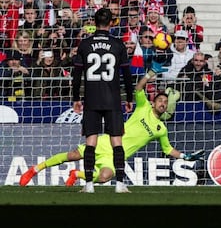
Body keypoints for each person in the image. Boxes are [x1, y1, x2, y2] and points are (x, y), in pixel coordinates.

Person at [19, 62, 204, 187]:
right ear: (154, 102)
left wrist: (186, 157)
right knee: (72, 155)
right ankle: (34, 170)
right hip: (107, 141)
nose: (162, 103)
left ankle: (78, 175)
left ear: (166, 107)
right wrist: (150, 73)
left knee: (104, 177)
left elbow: (168, 150)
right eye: (160, 100)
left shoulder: (161, 129)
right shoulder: (143, 107)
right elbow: (138, 88)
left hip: (116, 156)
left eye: (165, 102)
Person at [71, 7, 134, 193]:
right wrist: (129, 97)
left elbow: (76, 74)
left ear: (94, 22)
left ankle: (89, 184)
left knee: (91, 141)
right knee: (117, 141)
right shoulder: (118, 44)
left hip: (92, 98)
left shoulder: (85, 44)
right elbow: (127, 74)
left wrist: (75, 97)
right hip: (113, 99)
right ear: (111, 22)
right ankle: (120, 184)